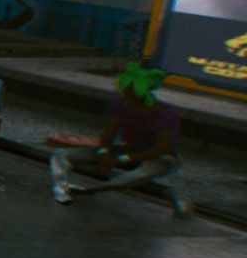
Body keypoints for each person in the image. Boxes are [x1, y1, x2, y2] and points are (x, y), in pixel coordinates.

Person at [49, 62, 193, 218]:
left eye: (129, 89)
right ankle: (61, 189)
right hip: (128, 149)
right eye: (123, 89)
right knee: (60, 155)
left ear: (141, 90)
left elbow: (163, 148)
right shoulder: (120, 105)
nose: (124, 93)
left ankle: (95, 189)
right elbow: (108, 134)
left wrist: (122, 159)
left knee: (141, 175)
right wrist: (104, 153)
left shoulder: (165, 112)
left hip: (160, 158)